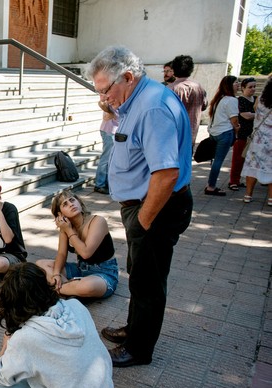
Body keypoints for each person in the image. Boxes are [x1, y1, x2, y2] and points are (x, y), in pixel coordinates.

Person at [86, 46, 193, 367]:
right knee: (139, 274)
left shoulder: (151, 107)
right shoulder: (137, 98)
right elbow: (129, 138)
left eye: (106, 89)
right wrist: (109, 111)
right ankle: (134, 329)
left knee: (148, 281)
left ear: (128, 77)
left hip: (155, 208)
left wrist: (142, 222)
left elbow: (166, 173)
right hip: (144, 205)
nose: (104, 96)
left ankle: (139, 348)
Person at [36, 190, 118, 299]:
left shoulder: (98, 221)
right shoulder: (65, 227)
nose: (71, 204)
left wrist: (69, 230)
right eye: (65, 204)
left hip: (104, 273)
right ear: (60, 214)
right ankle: (67, 288)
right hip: (80, 269)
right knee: (40, 264)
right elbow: (61, 254)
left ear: (79, 202)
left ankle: (55, 289)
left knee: (88, 286)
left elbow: (85, 253)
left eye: (72, 200)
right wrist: (56, 274)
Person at [204, 76, 241, 196]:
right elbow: (234, 120)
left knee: (216, 160)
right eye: (236, 82)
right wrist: (237, 129)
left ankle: (210, 183)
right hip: (225, 133)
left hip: (215, 132)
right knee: (218, 161)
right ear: (229, 85)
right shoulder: (231, 100)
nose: (238, 85)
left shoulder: (219, 98)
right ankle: (211, 186)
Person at [242, 77, 272, 206]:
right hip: (271, 140)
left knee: (252, 167)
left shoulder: (260, 99)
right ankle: (271, 199)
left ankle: (248, 195)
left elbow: (255, 109)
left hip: (258, 139)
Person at [168, 55, 208, 145]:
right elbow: (204, 105)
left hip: (173, 137)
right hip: (191, 135)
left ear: (173, 70)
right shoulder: (199, 87)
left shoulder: (171, 89)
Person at [229, 77, 257, 190]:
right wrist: (259, 115)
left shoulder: (256, 99)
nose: (253, 89)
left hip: (254, 135)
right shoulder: (240, 100)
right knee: (238, 159)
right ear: (243, 88)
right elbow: (246, 115)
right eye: (250, 87)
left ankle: (239, 180)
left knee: (250, 160)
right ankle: (233, 181)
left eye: (254, 87)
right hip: (242, 134)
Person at [94, 101, 118, 194]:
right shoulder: (112, 92)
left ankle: (106, 183)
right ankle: (100, 184)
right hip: (109, 131)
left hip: (115, 130)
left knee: (111, 159)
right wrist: (109, 112)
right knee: (106, 158)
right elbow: (101, 102)